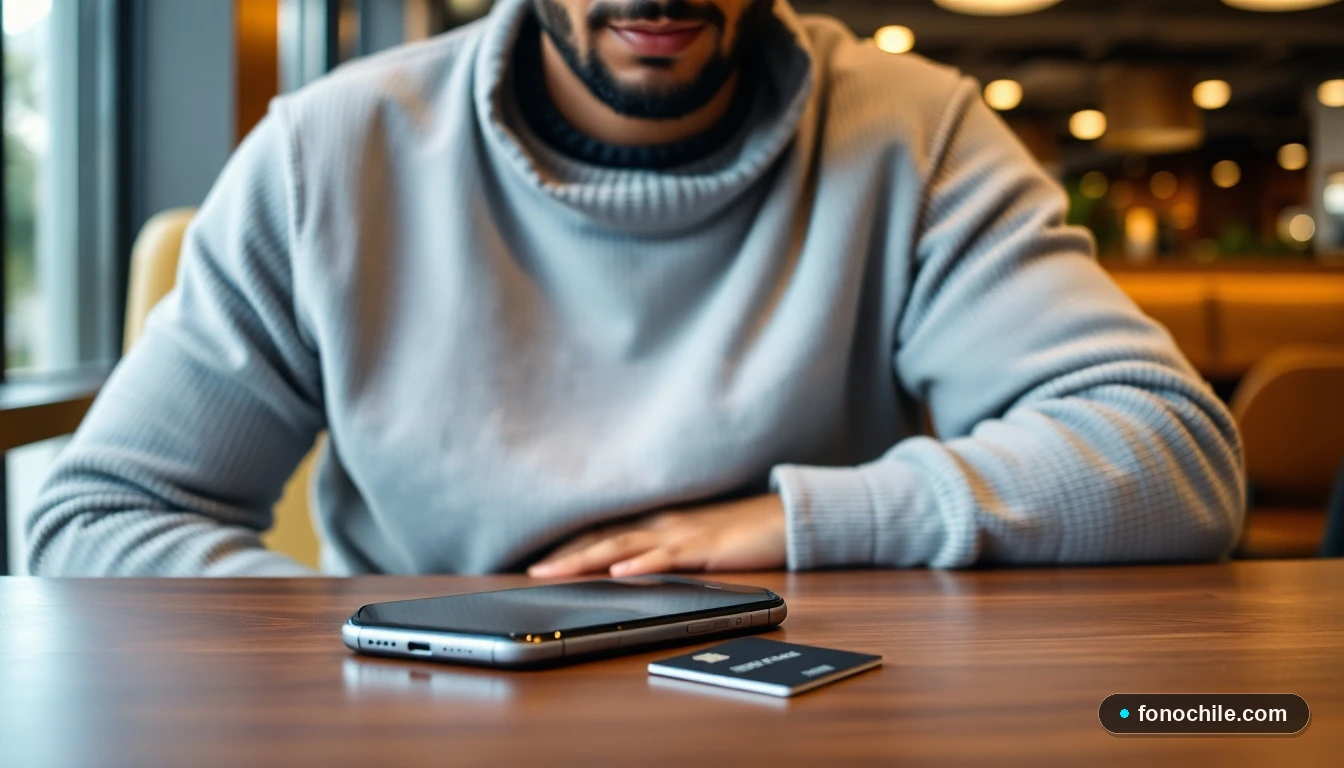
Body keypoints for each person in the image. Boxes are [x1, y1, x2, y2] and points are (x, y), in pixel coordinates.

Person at [27, 0, 1244, 577]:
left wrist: (797, 521)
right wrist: (387, 645)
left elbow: (1172, 456)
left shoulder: (912, 136)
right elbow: (97, 520)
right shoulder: (326, 157)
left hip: (811, 716)